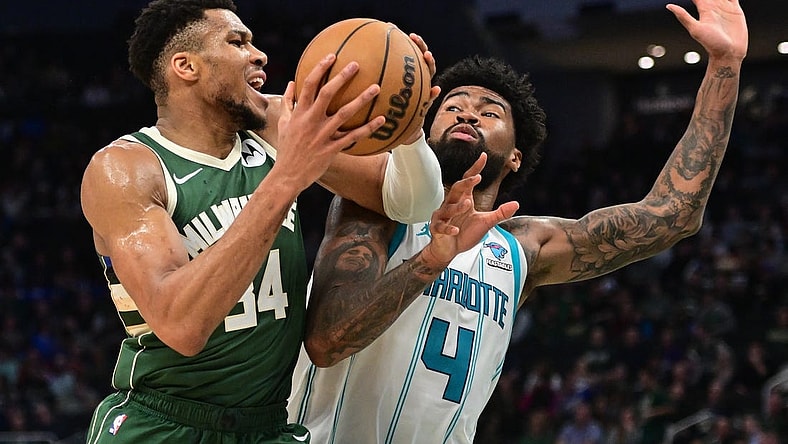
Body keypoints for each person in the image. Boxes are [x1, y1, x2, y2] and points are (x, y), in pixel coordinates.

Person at [288, 0, 748, 442]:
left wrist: (725, 64)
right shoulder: (375, 207)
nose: (467, 111)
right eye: (452, 105)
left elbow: (672, 215)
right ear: (422, 129)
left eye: (490, 112)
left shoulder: (522, 247)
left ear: (513, 157)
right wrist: (429, 261)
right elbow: (328, 340)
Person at [80, 0, 445, 442]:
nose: (260, 55)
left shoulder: (276, 125)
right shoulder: (127, 168)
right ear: (185, 66)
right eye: (237, 42)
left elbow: (409, 203)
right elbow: (182, 325)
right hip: (163, 423)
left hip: (267, 424)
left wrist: (410, 136)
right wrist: (287, 178)